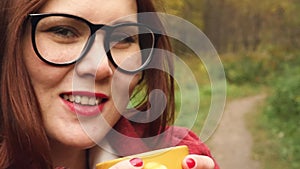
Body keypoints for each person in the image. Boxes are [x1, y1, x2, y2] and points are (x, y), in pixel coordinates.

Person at [0, 0, 219, 169]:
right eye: (63, 31)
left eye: (123, 39)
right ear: (9, 41)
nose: (100, 67)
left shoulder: (178, 153)